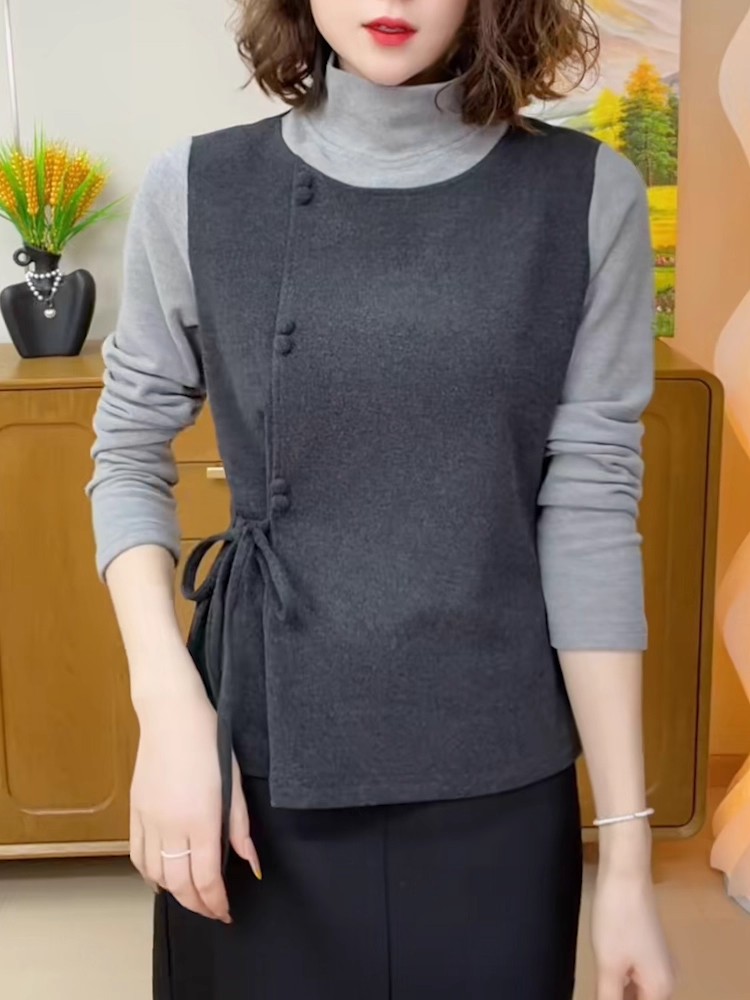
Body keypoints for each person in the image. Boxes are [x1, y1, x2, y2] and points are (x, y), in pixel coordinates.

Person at [86, 1, 676, 998]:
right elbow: (130, 453)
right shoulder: (198, 186)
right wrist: (170, 709)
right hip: (255, 760)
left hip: (496, 771)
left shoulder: (584, 196)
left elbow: (588, 510)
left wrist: (625, 855)